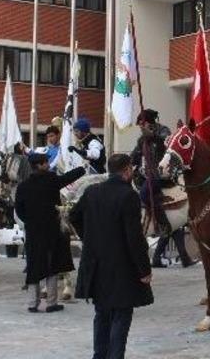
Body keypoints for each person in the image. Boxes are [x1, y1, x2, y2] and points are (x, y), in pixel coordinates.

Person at [69, 154, 153, 359]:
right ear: (127, 170)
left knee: (102, 314)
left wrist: (89, 237)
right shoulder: (128, 195)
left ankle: (99, 355)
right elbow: (134, 237)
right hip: (122, 266)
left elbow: (73, 216)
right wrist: (144, 270)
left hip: (97, 264)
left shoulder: (92, 191)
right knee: (121, 316)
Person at [15, 151, 86, 313]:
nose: (48, 164)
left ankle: (32, 303)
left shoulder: (23, 186)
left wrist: (31, 221)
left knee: (33, 264)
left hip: (33, 231)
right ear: (39, 165)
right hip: (52, 230)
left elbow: (19, 210)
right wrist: (82, 169)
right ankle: (51, 303)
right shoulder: (51, 180)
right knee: (52, 264)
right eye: (46, 162)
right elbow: (66, 178)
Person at [130, 109, 195, 268]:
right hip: (147, 176)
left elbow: (166, 145)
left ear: (149, 123)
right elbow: (135, 155)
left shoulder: (164, 132)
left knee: (145, 193)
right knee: (176, 226)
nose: (140, 128)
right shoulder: (142, 139)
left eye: (142, 124)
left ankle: (162, 224)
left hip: (163, 174)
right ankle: (181, 257)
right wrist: (129, 165)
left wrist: (152, 136)